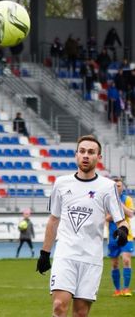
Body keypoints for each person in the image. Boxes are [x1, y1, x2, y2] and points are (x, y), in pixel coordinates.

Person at [36, 135, 130, 317]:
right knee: (58, 306)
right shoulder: (61, 183)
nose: (86, 155)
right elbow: (53, 220)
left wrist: (123, 230)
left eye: (91, 152)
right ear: (76, 155)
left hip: (91, 258)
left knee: (80, 313)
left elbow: (121, 220)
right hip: (65, 255)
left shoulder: (108, 186)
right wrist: (44, 253)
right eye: (82, 151)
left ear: (98, 157)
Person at [106, 176, 134, 297]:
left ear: (122, 187)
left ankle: (126, 289)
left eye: (119, 186)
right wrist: (116, 211)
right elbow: (107, 218)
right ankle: (117, 290)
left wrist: (119, 204)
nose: (117, 188)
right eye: (115, 186)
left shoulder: (127, 199)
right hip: (113, 236)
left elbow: (131, 213)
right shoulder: (106, 200)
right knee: (114, 264)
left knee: (126, 260)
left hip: (127, 235)